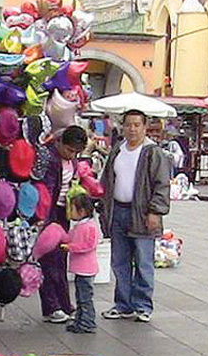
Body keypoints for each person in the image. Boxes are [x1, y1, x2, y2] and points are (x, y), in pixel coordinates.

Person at [100, 110, 171, 323]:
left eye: (136, 125)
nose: (132, 129)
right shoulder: (117, 150)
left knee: (143, 261)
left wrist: (155, 211)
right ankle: (123, 304)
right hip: (118, 211)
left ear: (144, 127)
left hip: (142, 213)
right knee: (120, 261)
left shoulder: (152, 152)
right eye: (128, 125)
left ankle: (142, 305)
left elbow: (162, 184)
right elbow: (107, 179)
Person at [38, 125, 89, 323]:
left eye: (76, 152)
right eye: (69, 150)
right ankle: (52, 306)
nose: (71, 155)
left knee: (61, 259)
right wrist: (43, 219)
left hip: (63, 213)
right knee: (50, 261)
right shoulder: (50, 158)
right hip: (49, 214)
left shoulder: (71, 161)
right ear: (60, 143)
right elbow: (47, 191)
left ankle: (64, 303)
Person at [62, 193, 100, 334]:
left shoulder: (89, 227)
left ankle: (87, 322)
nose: (69, 212)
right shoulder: (79, 226)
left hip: (86, 269)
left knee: (85, 298)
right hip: (80, 269)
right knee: (80, 297)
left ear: (82, 211)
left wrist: (71, 247)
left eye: (72, 209)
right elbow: (70, 237)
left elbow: (88, 245)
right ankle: (80, 320)